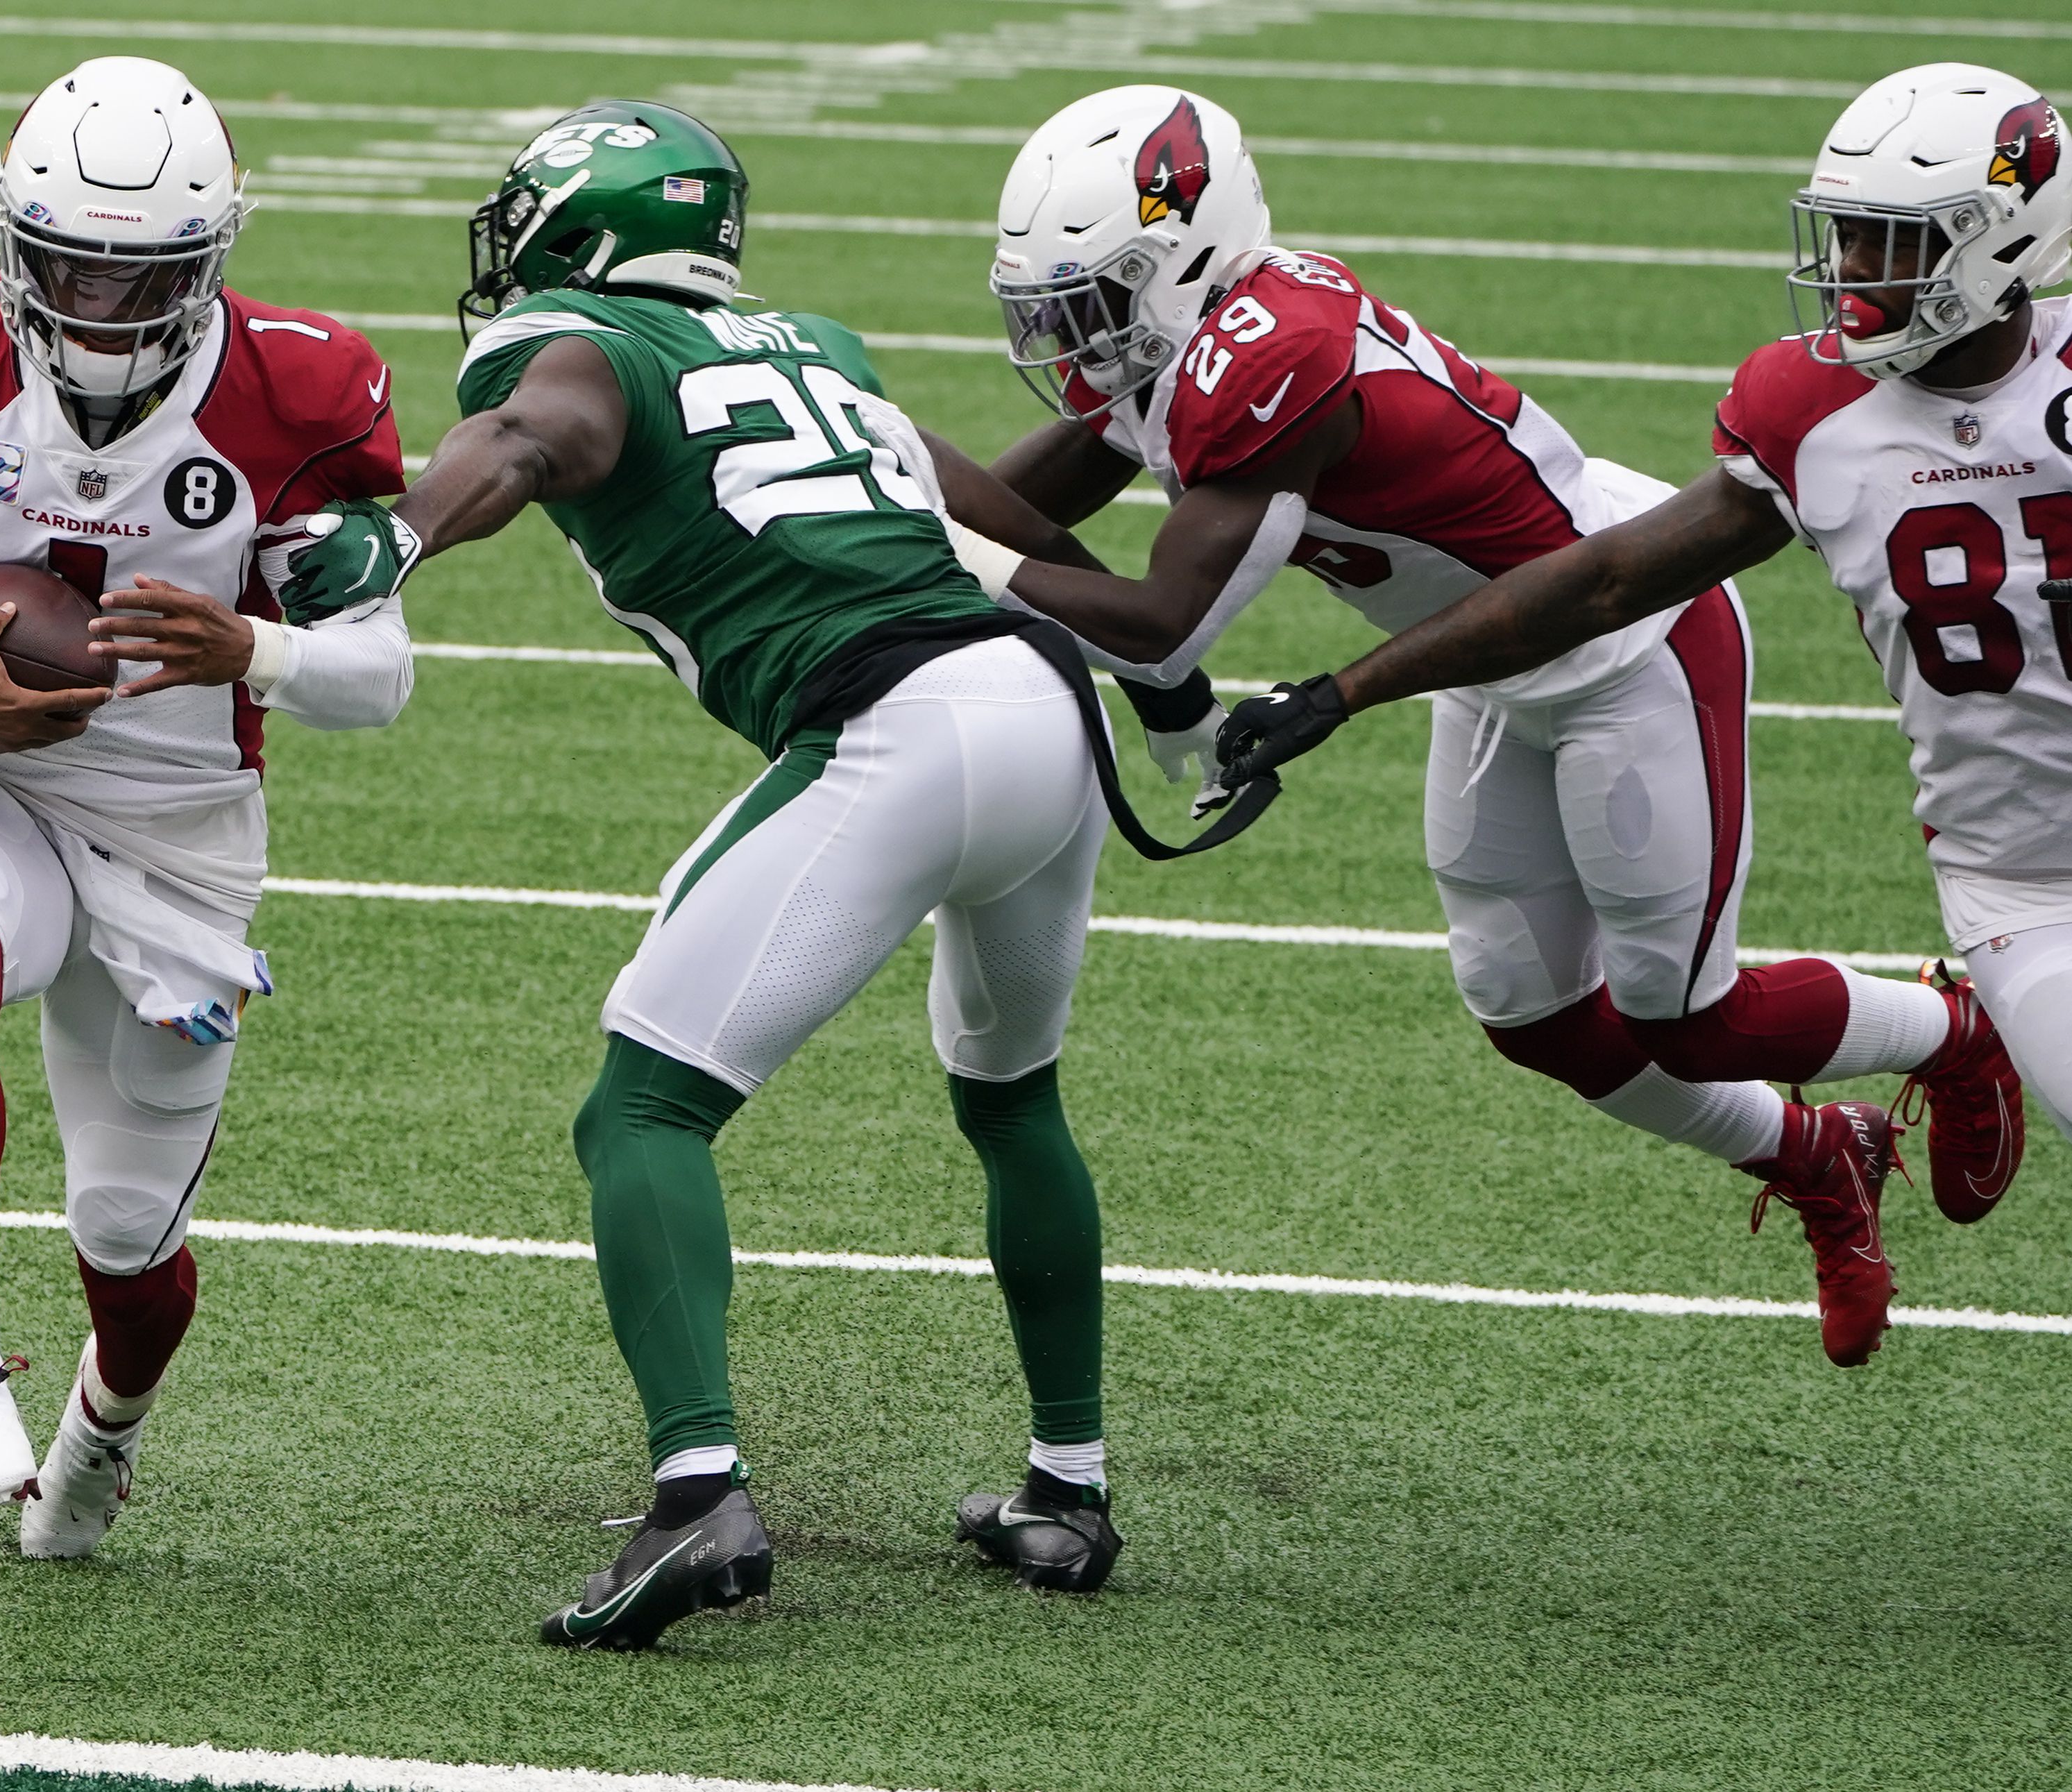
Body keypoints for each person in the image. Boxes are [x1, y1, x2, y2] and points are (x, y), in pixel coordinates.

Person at [930, 84, 2019, 1370]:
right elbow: (1017, 504)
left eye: (1098, 300)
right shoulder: (1186, 333)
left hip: (1624, 641)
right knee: (1526, 1008)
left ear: (1183, 260)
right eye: (1059, 307)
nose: (1074, 338)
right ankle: (1819, 1156)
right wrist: (879, 476)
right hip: (1493, 658)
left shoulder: (1270, 353)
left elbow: (1163, 623)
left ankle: (1958, 1033)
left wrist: (933, 537)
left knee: (1690, 1014)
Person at [280, 100, 1157, 1650]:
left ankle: (698, 1498)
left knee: (641, 1106)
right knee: (1013, 1098)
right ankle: (1065, 1490)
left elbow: (535, 434)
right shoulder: (814, 346)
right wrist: (1158, 667)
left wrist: (400, 537)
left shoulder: (573, 342)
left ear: (583, 231)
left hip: (897, 722)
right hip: (1041, 707)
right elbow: (989, 512)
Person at [1217, 61, 2061, 1262]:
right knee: (1572, 1009)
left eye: (1894, 244)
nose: (1855, 276)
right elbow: (1609, 578)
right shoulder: (1806, 404)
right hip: (2011, 868)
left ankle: (1929, 1050)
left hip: (1991, 821)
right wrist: (1346, 691)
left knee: (1683, 1016)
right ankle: (1887, 1087)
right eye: (1849, 239)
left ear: (2006, 241)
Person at [0, 56, 411, 1554]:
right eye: (66, 263)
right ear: (12, 246)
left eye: (140, 278)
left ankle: (99, 1436)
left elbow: (379, 672)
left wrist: (249, 644)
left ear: (208, 266)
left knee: (129, 1248)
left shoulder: (299, 388)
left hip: (180, 827)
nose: (96, 303)